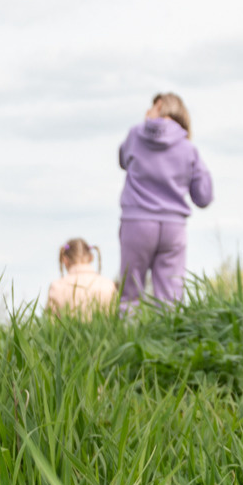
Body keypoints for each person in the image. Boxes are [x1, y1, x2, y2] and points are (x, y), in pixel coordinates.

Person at [117, 92, 214, 313]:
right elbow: (204, 196)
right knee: (170, 297)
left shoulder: (134, 135)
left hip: (137, 222)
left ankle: (127, 341)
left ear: (159, 105)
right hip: (173, 227)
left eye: (150, 107)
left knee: (130, 294)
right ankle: (167, 344)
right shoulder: (188, 147)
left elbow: (122, 160)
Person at [45, 238, 115, 317]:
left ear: (64, 260)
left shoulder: (56, 286)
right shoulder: (108, 284)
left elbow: (51, 323)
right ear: (91, 257)